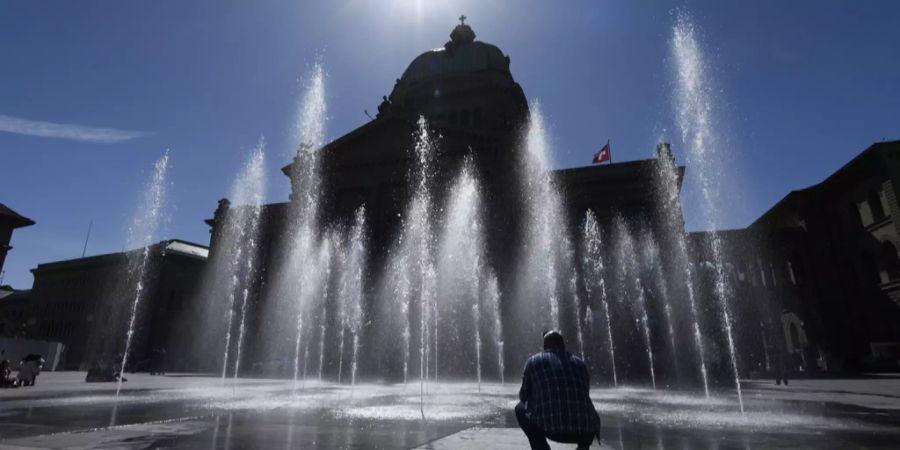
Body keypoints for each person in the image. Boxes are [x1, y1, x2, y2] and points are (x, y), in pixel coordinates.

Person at [517, 330, 600, 450]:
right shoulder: (580, 363)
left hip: (552, 430)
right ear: (563, 345)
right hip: (586, 431)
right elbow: (585, 394)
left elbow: (523, 396)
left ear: (544, 346)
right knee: (585, 409)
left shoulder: (533, 361)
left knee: (520, 408)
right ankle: (583, 447)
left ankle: (541, 448)